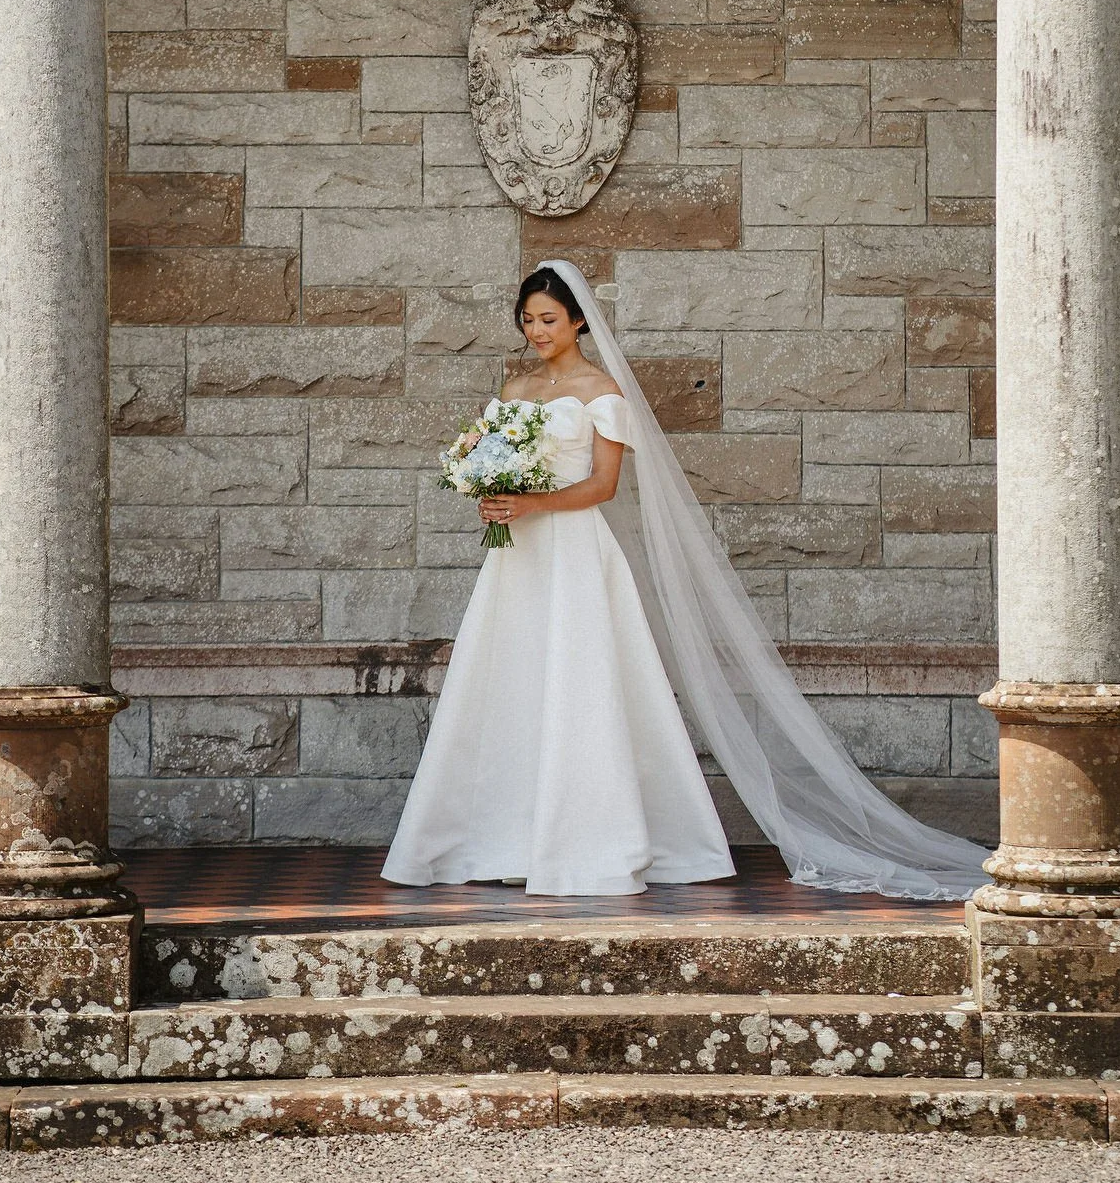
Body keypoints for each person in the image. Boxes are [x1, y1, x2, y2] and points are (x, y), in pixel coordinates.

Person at [382, 260, 986, 901]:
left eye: (549, 319)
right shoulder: (515, 387)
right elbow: (495, 459)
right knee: (510, 680)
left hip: (575, 552)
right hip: (517, 558)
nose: (537, 330)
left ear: (580, 320)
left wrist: (531, 504)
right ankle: (501, 837)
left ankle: (588, 839)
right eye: (528, 320)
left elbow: (602, 486)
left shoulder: (601, 390)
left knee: (581, 685)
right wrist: (493, 493)